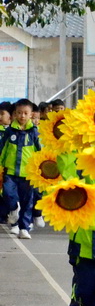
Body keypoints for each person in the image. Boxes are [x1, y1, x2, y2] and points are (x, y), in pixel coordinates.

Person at [1, 98, 41, 238]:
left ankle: (24, 228)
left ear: (31, 115)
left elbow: (41, 152)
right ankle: (13, 213)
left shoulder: (34, 132)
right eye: (19, 113)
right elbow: (2, 149)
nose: (22, 116)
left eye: (25, 113)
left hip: (28, 173)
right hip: (10, 172)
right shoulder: (9, 131)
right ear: (14, 114)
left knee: (27, 201)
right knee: (8, 194)